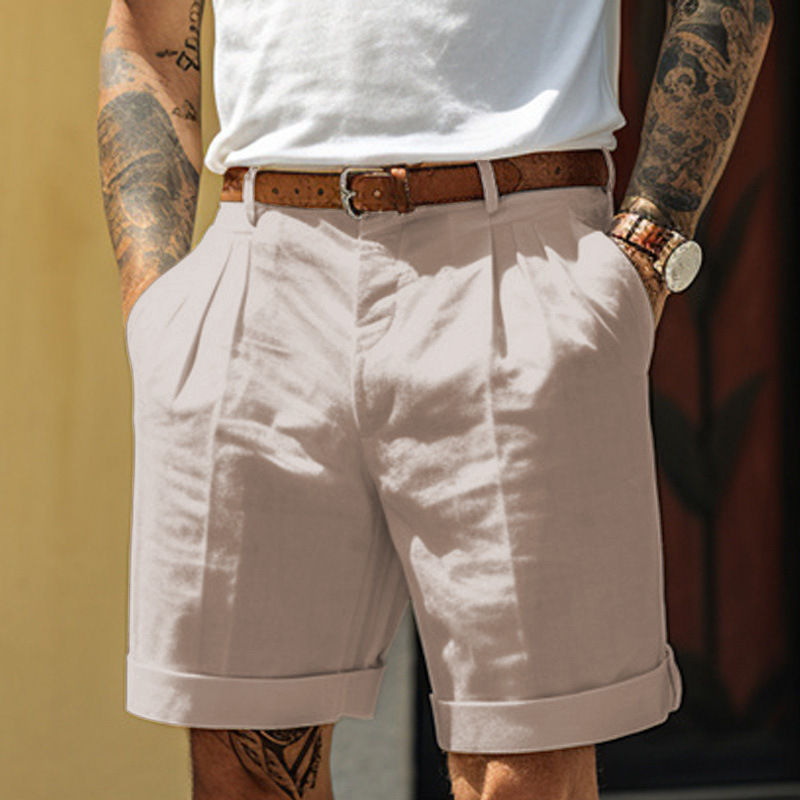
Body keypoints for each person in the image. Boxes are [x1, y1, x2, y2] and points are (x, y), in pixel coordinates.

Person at [96, 0, 773, 798]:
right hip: (258, 262)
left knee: (522, 776)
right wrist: (156, 302)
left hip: (517, 248)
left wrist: (647, 249)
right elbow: (147, 32)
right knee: (245, 772)